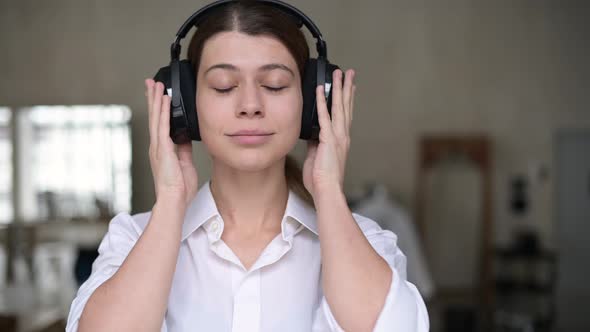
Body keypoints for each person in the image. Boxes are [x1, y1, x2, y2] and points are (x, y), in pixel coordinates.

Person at [65, 1, 429, 331]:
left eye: (274, 84)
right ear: (185, 106)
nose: (250, 104)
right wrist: (172, 200)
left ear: (311, 101)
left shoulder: (367, 242)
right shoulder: (132, 238)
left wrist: (328, 189)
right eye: (224, 86)